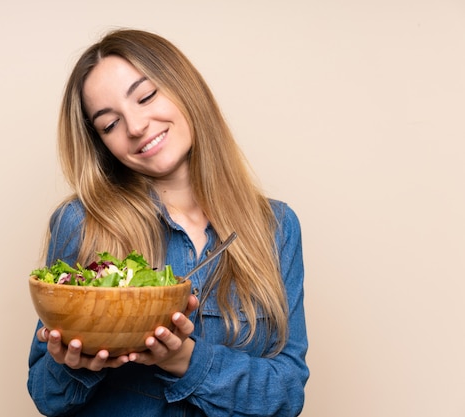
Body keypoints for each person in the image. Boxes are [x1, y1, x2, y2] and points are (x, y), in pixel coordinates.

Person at [27, 28, 309, 417]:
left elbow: (287, 393)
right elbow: (45, 394)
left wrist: (184, 359)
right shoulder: (82, 222)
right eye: (110, 124)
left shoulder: (275, 227)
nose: (137, 126)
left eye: (145, 97)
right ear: (101, 144)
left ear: (183, 87)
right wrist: (72, 367)